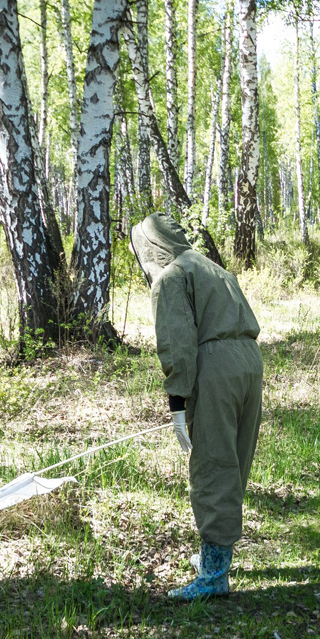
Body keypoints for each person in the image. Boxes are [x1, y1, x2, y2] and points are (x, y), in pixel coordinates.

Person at [130, 213, 263, 599]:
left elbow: (177, 344)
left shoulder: (172, 276)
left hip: (217, 371)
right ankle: (214, 556)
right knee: (234, 462)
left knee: (214, 465)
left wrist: (177, 402)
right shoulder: (210, 266)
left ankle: (214, 577)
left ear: (150, 247)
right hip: (249, 364)